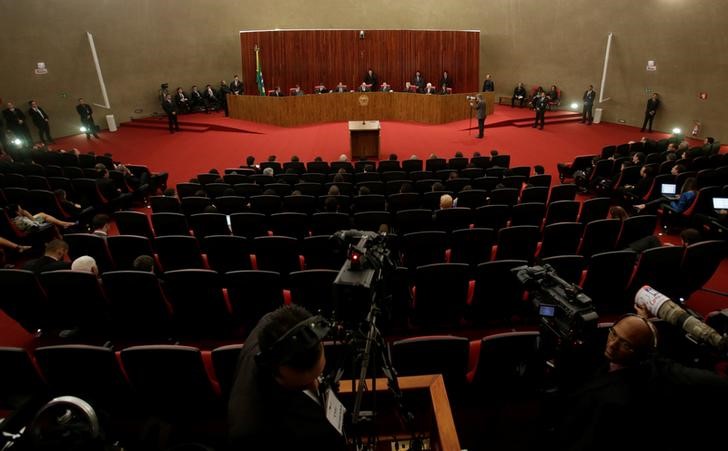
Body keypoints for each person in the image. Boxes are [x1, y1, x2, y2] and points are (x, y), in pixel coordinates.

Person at [557, 312, 728, 451]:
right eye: (613, 333)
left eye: (625, 344)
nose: (612, 345)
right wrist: (642, 321)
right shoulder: (649, 360)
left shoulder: (615, 401)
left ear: (640, 353)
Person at [228, 305, 347, 450]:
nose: (315, 386)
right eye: (302, 386)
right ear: (273, 369)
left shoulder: (271, 324)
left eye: (317, 376)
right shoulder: (252, 432)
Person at [8, 203, 75, 232]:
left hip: (27, 224)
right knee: (46, 218)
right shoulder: (22, 220)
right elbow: (36, 225)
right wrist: (28, 215)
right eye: (20, 209)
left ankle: (63, 224)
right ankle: (64, 224)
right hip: (31, 228)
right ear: (17, 212)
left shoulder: (14, 219)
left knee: (42, 214)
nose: (22, 210)